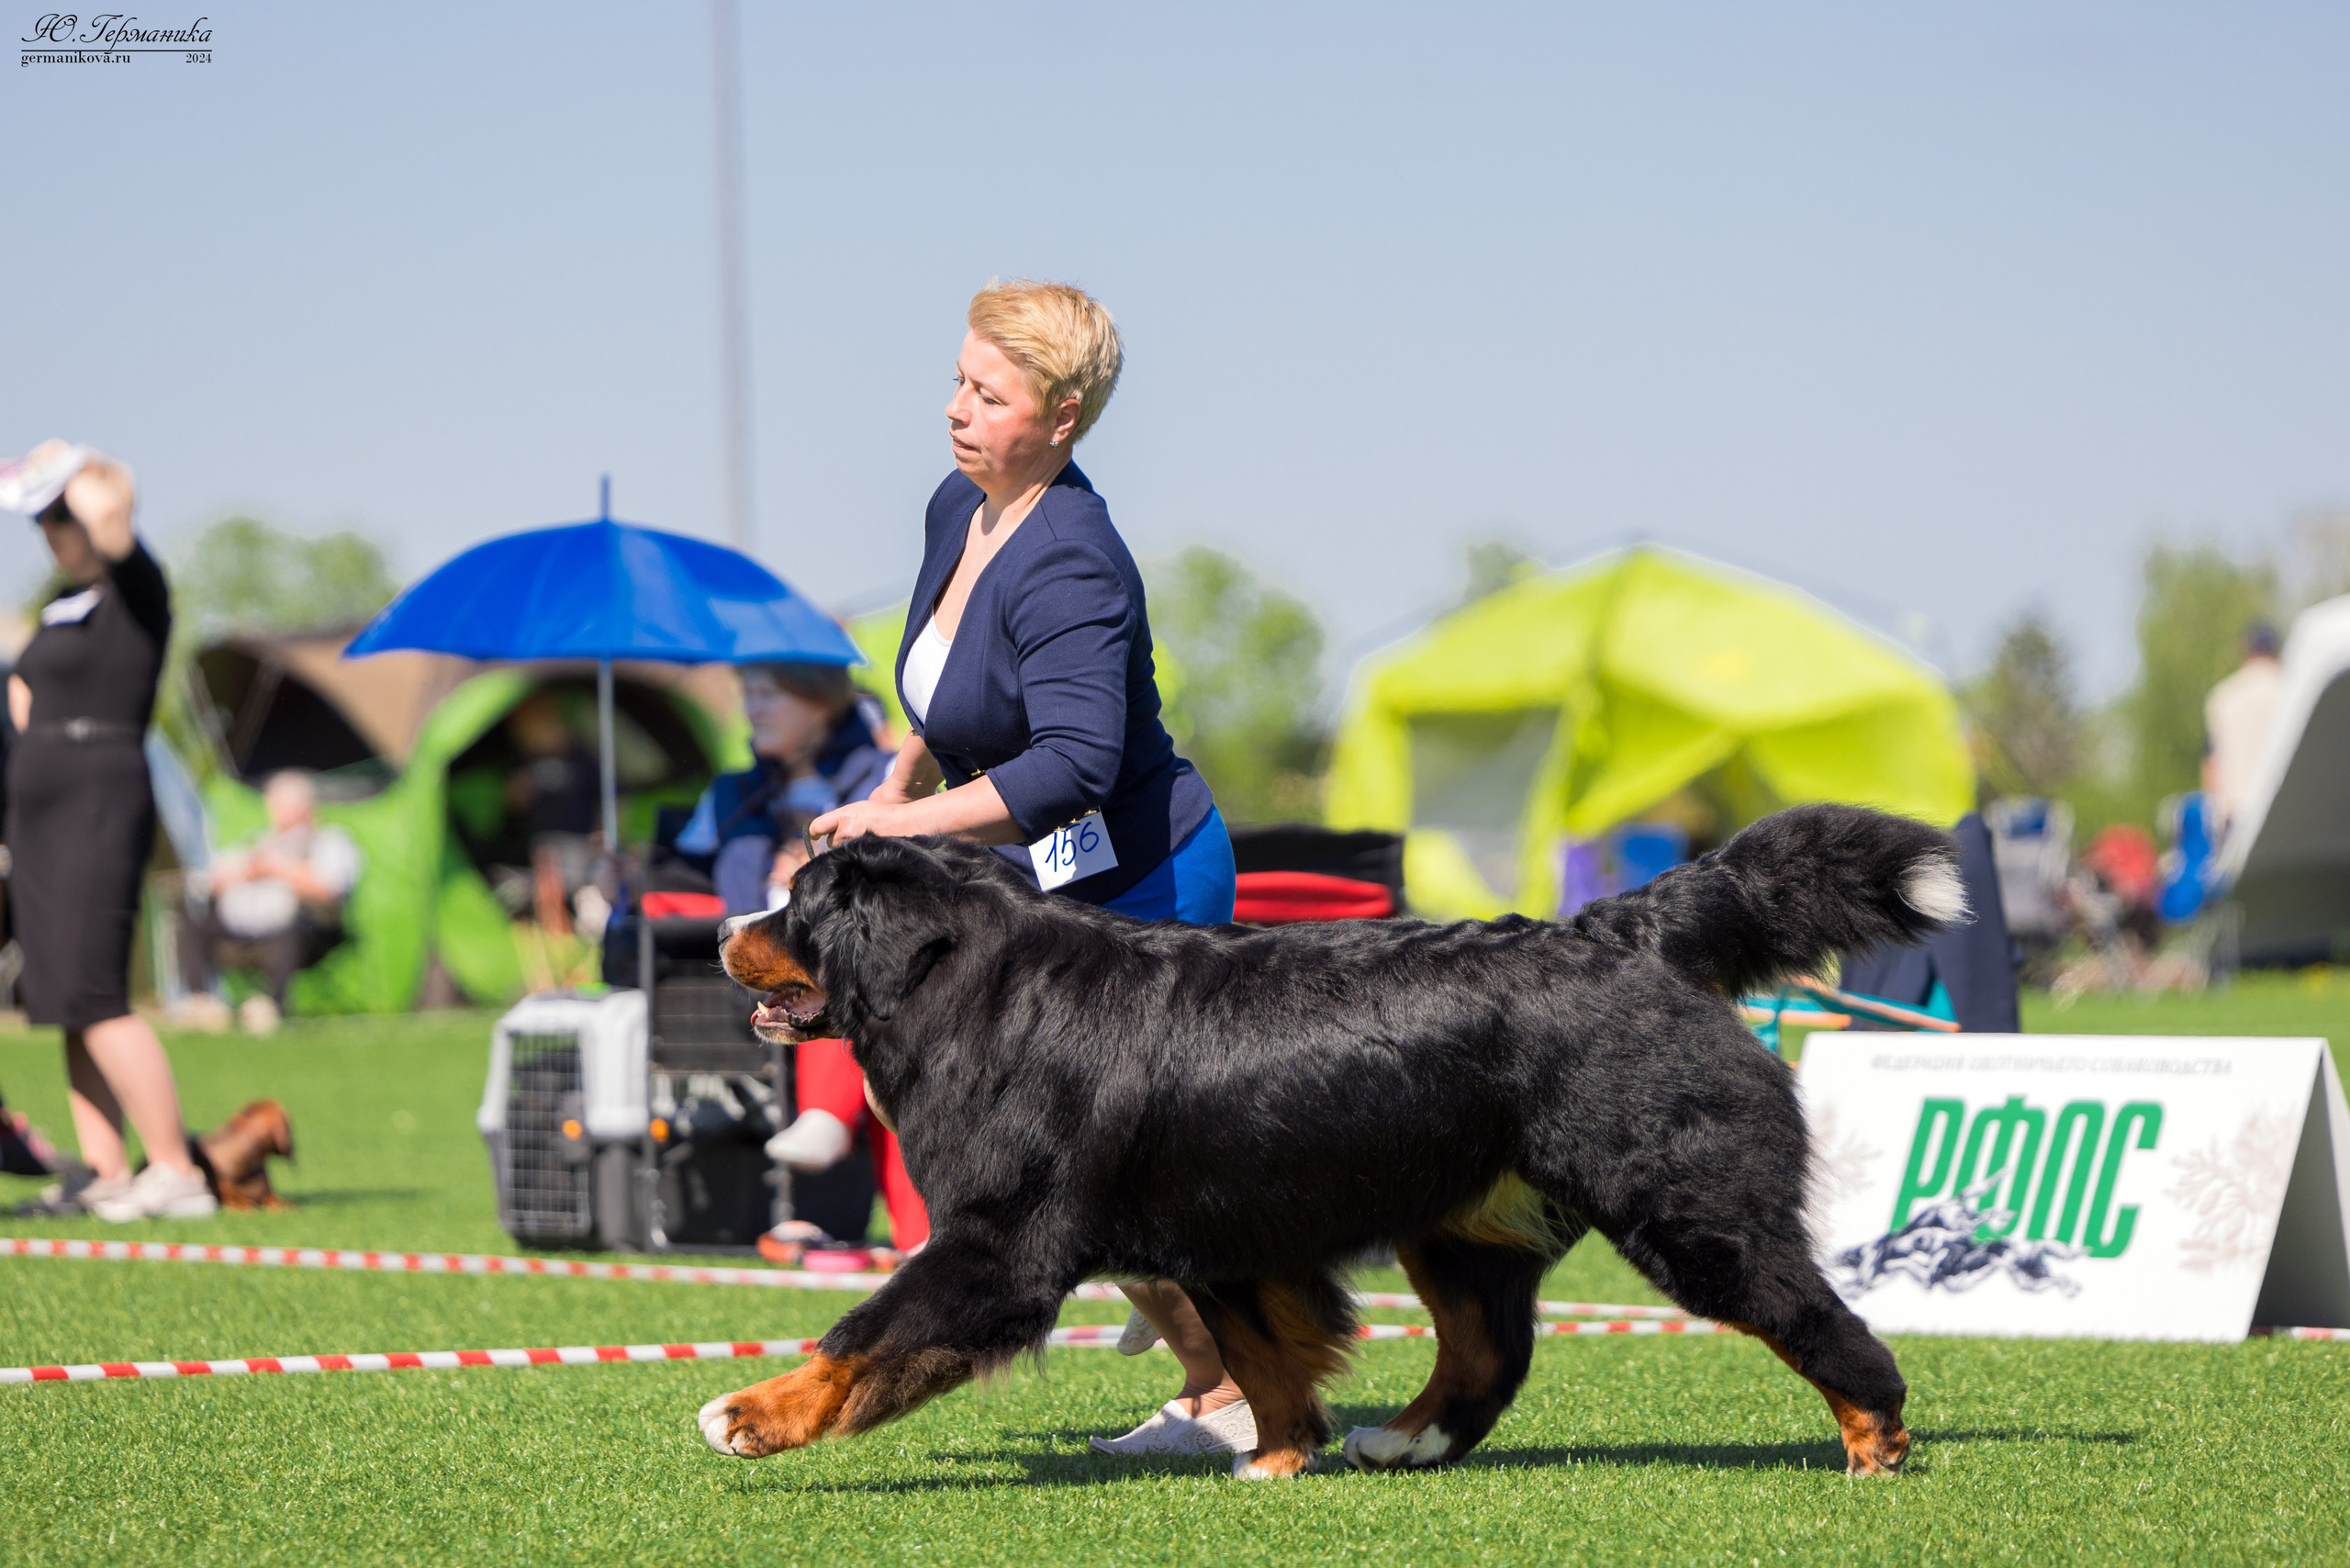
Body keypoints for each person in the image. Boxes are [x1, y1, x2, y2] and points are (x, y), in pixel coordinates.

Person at [808, 280, 1249, 1459]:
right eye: (958, 379)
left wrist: (904, 835)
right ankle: (1219, 1384)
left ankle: (1237, 1391)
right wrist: (894, 785)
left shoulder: (1073, 560)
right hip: (1043, 886)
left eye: (989, 395)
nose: (957, 409)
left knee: (1103, 1178)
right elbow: (942, 687)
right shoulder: (961, 503)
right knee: (1064, 1177)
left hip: (1149, 886)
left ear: (1061, 419)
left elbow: (1068, 768)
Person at [0, 441, 215, 1220]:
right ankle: (103, 1172)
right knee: (60, 994)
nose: (53, 529)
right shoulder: (58, 606)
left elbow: (112, 523)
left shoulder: (138, 592)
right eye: (44, 520)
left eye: (62, 514)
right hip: (40, 809)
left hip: (99, 795)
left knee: (96, 988)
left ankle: (174, 1169)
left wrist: (81, 470)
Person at [667, 661, 921, 1259]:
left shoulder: (882, 777)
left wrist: (811, 882)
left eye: (769, 692)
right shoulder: (731, 792)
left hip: (854, 959)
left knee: (865, 995)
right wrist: (623, 879)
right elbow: (681, 873)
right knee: (856, 1001)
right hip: (752, 964)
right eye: (747, 693)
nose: (752, 708)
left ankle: (834, 1128)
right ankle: (894, 1215)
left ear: (822, 702)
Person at [174, 769, 362, 1035]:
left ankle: (272, 1005)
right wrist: (244, 873)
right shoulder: (259, 842)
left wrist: (279, 869)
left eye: (282, 804)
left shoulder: (330, 841)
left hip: (306, 932)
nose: (275, 810)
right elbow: (210, 881)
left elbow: (330, 887)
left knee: (293, 927)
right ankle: (202, 1002)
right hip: (245, 929)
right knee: (194, 920)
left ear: (303, 806)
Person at [2204, 622, 2283, 843]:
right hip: (2282, 810)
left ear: (2246, 650)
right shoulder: (2289, 690)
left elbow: (2212, 766)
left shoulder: (2222, 697)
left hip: (2236, 816)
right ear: (2276, 650)